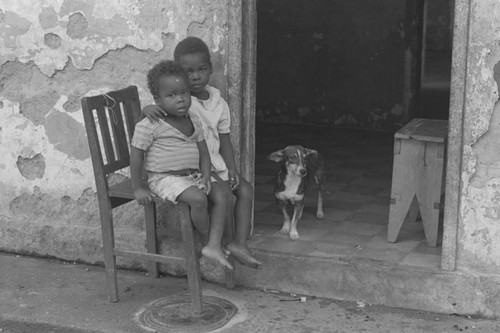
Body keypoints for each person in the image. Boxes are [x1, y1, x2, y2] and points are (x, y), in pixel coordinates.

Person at [143, 37, 262, 268]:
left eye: (202, 69)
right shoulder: (181, 101)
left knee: (246, 189)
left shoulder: (219, 102)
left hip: (218, 163)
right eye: (189, 72)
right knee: (222, 195)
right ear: (179, 74)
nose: (196, 76)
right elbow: (154, 111)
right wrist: (146, 108)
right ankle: (213, 244)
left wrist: (233, 168)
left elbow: (225, 139)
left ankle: (239, 243)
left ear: (210, 69)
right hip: (197, 167)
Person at [130, 60, 233, 270]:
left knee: (224, 194)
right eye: (172, 95)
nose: (180, 100)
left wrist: (206, 175)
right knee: (199, 199)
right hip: (163, 177)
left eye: (184, 93)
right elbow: (136, 156)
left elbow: (204, 153)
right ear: (157, 99)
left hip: (193, 174)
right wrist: (139, 187)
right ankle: (205, 240)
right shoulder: (150, 124)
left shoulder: (193, 119)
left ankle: (214, 245)